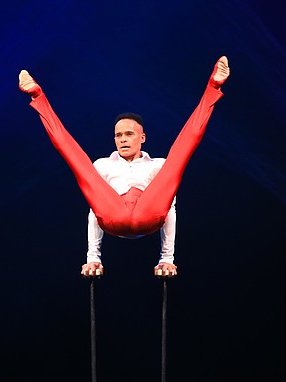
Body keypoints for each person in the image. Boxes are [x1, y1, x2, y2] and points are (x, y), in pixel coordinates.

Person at [18, 56, 230, 278]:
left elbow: (170, 212)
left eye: (129, 134)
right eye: (118, 135)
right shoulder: (103, 165)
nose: (123, 139)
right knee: (75, 158)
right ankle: (37, 95)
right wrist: (93, 257)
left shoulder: (158, 166)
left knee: (179, 155)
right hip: (114, 216)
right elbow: (94, 212)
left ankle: (213, 86)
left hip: (148, 215)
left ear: (142, 138)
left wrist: (167, 258)